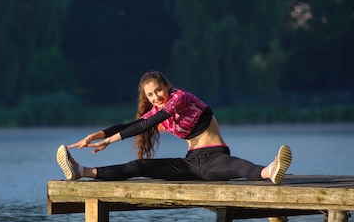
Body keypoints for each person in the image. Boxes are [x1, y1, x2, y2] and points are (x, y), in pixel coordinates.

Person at [56, 70, 292, 184]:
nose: (156, 97)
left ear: (167, 86)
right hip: (190, 163)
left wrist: (109, 141)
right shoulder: (157, 108)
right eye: (150, 95)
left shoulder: (180, 98)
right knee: (138, 166)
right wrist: (95, 135)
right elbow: (134, 124)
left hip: (215, 158)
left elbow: (147, 124)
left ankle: (271, 170)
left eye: (159, 90)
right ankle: (82, 171)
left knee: (241, 168)